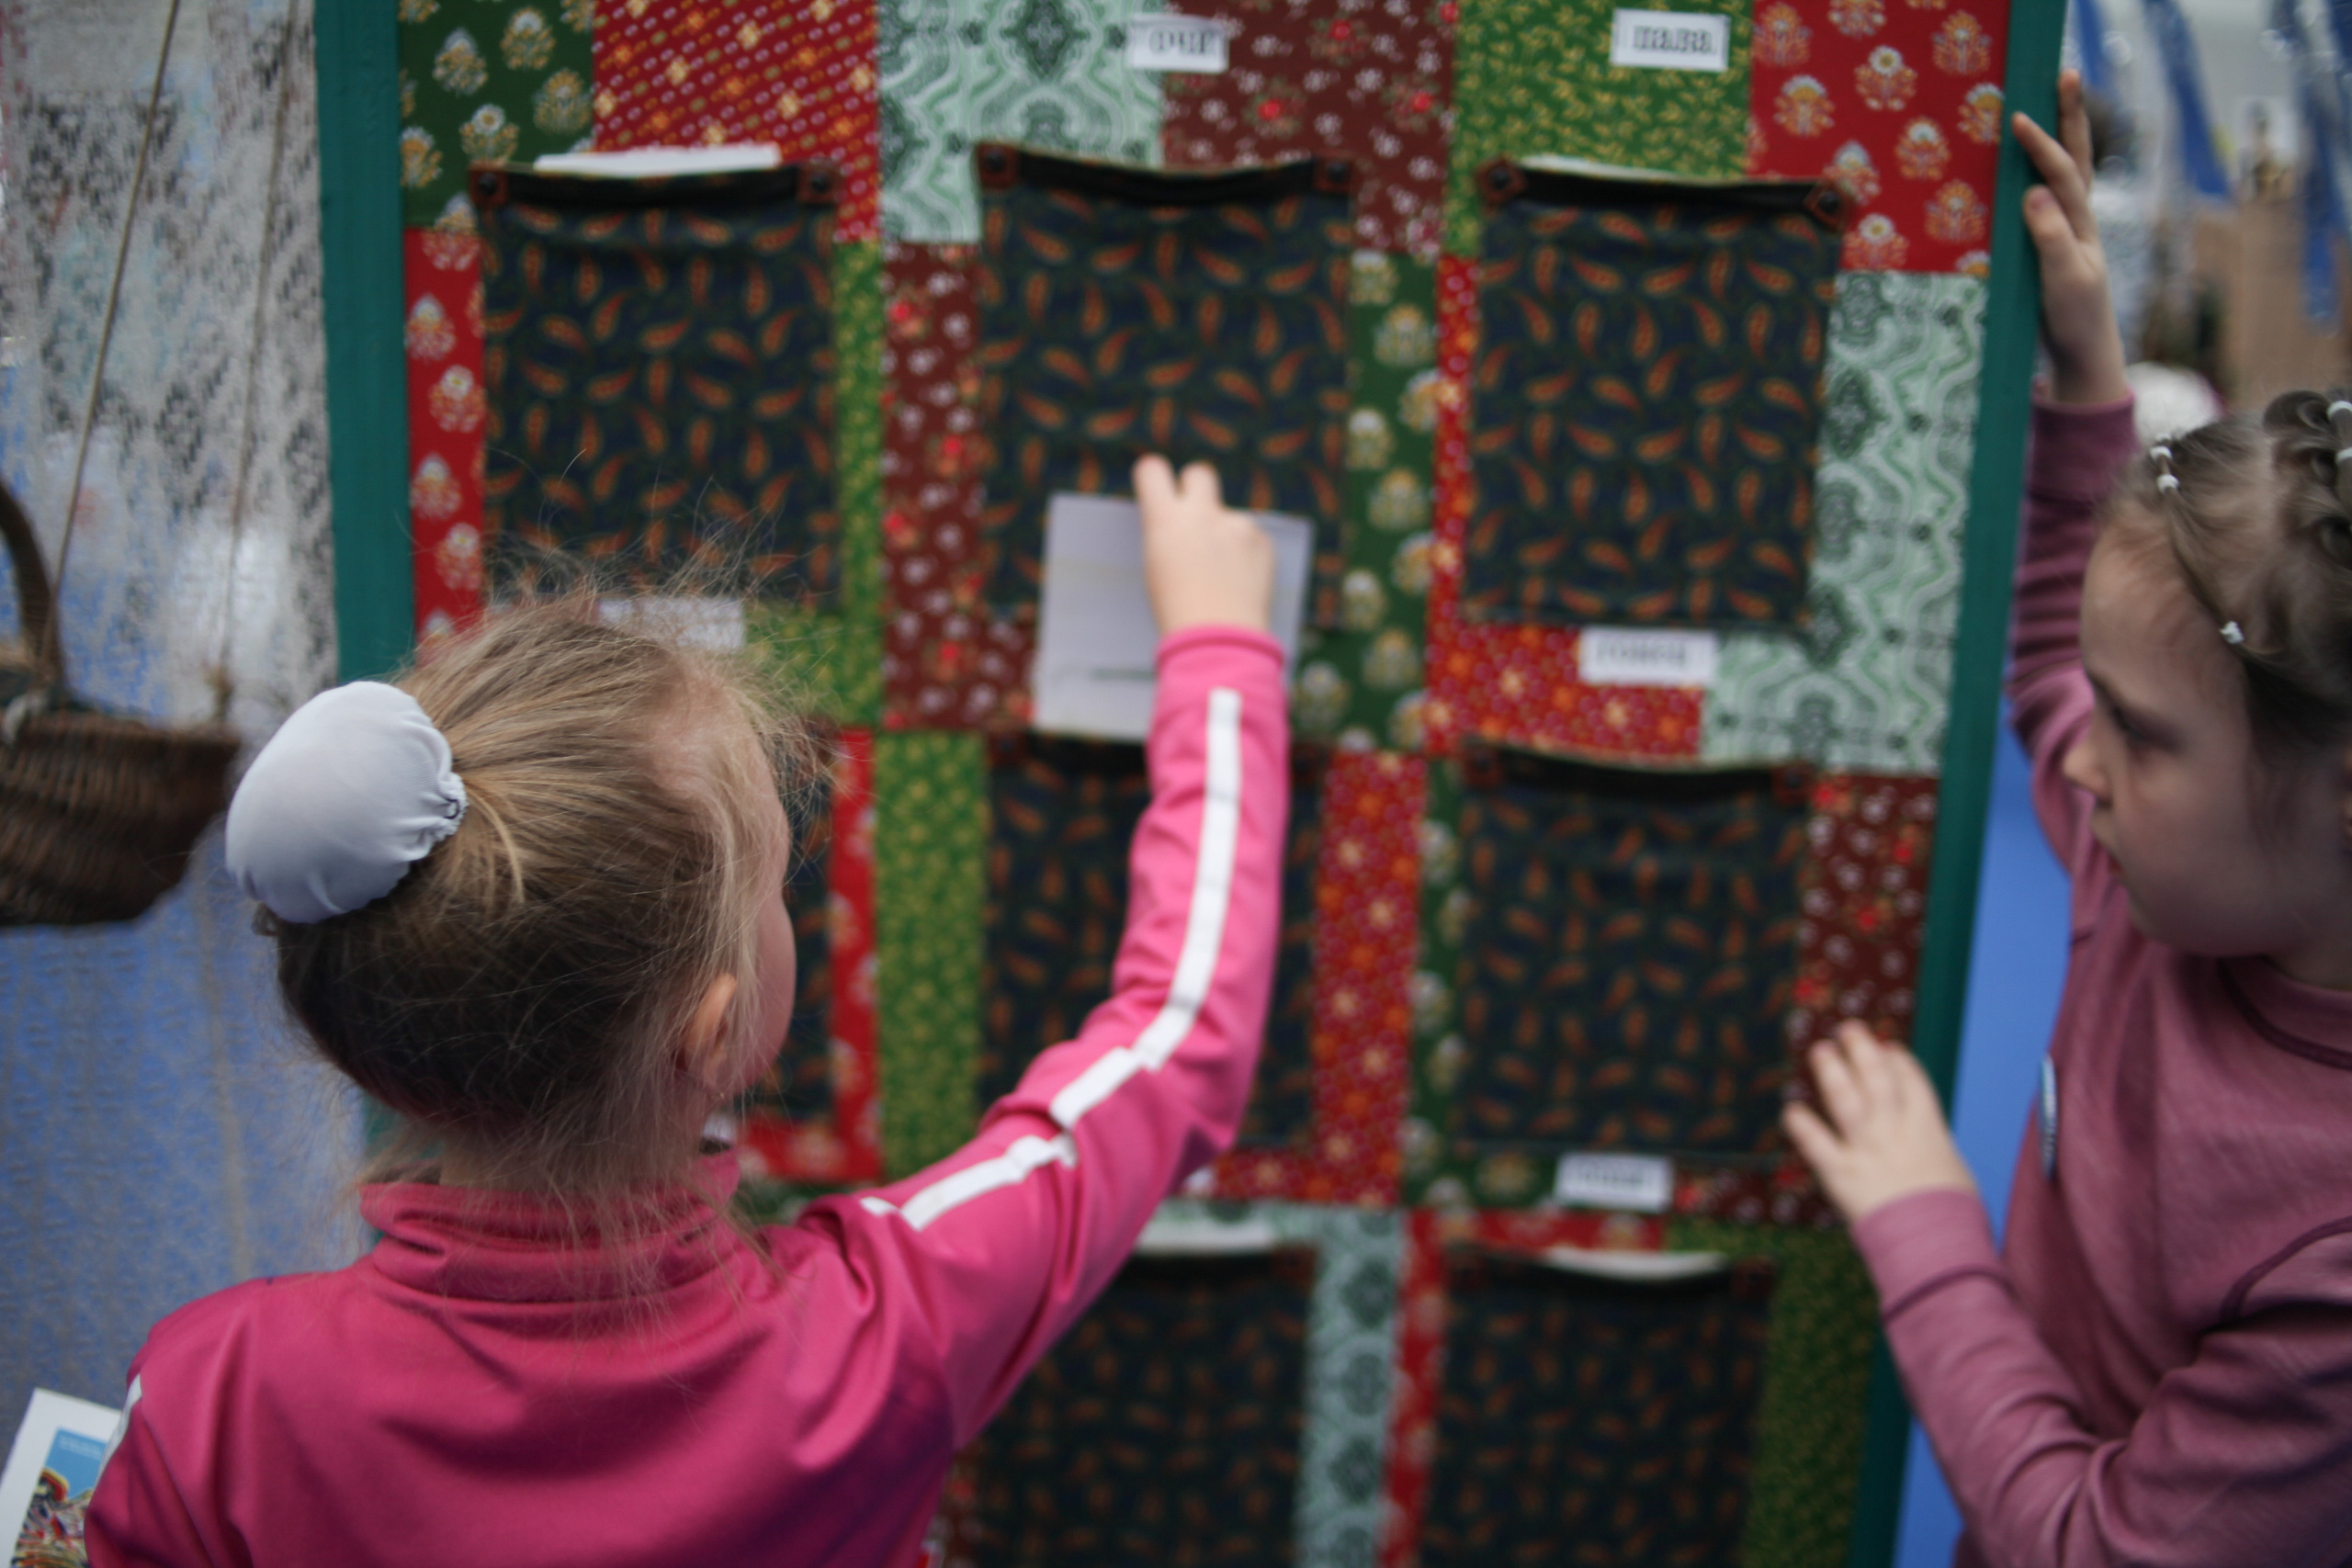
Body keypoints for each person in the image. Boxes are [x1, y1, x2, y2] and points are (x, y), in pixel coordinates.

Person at [83, 457, 1286, 1568]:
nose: (787, 902)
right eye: (773, 880)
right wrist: (1223, 648)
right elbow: (1179, 1044)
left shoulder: (213, 1402)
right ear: (713, 1034)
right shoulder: (887, 1331)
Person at [1785, 69, 2352, 1566]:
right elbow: (2053, 659)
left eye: (2145, 737)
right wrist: (2085, 369)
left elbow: (2088, 1545)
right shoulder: (2165, 862)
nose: (2082, 769)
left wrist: (1924, 1231)